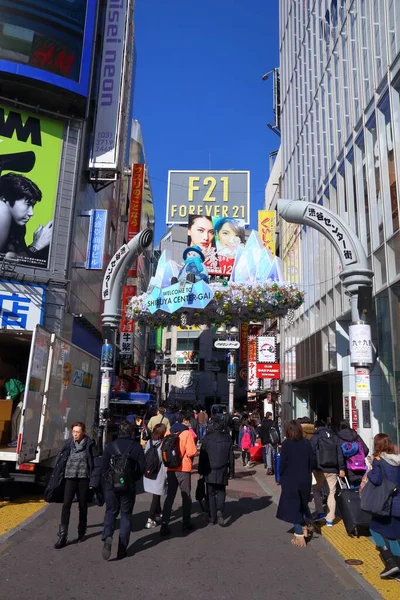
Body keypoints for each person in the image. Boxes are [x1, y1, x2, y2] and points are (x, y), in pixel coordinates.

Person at [101, 420, 145, 560]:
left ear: (119, 432)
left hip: (111, 485)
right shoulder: (136, 447)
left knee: (110, 512)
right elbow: (142, 467)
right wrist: (133, 477)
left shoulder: (110, 446)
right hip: (128, 484)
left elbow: (103, 467)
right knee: (126, 515)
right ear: (132, 432)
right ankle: (122, 548)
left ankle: (108, 536)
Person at [54, 422, 98, 549]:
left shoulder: (90, 444)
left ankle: (81, 530)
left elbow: (95, 463)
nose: (75, 434)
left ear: (83, 432)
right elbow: (61, 459)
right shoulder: (68, 444)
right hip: (70, 477)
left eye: (78, 432)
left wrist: (93, 480)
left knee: (83, 505)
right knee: (66, 505)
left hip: (84, 478)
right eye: (74, 431)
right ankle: (63, 536)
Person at [276, 420, 317, 547]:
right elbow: (313, 462)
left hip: (290, 479)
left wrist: (280, 476)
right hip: (305, 478)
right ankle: (305, 525)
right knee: (302, 504)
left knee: (293, 506)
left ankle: (299, 533)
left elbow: (282, 464)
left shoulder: (286, 444)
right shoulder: (306, 443)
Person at [367, 433, 400, 579]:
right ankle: (396, 564)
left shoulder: (379, 460)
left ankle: (390, 562)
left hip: (386, 504)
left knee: (374, 528)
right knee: (393, 534)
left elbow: (376, 479)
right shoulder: (398, 460)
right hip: (398, 503)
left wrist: (369, 472)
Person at [0, 172, 52, 262]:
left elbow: (21, 261)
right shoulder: (1, 210)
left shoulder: (19, 228)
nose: (31, 213)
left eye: (33, 206)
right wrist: (36, 246)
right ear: (4, 199)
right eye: (27, 204)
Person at [160, 411, 197, 536]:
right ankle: (186, 522)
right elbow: (192, 452)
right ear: (185, 420)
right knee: (186, 495)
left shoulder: (169, 431)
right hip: (183, 468)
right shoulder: (187, 433)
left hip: (170, 468)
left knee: (170, 496)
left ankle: (164, 523)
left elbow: (163, 449)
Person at [198, 417, 234, 526]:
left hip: (209, 469)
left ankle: (212, 516)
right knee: (221, 490)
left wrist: (201, 470)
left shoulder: (207, 438)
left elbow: (202, 456)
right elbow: (231, 457)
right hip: (222, 468)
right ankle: (219, 511)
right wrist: (231, 472)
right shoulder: (228, 438)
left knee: (211, 493)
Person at [310, 420, 346, 526]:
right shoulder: (334, 436)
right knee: (331, 493)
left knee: (316, 490)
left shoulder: (316, 436)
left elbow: (311, 452)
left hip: (319, 469)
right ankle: (330, 519)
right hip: (333, 469)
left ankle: (320, 512)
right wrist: (341, 468)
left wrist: (312, 467)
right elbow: (339, 453)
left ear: (316, 427)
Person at [143, 423, 168, 529]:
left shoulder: (149, 442)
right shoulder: (163, 444)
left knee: (155, 494)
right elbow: (164, 460)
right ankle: (150, 519)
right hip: (159, 473)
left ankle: (158, 513)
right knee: (156, 496)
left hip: (149, 472)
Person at [337, 420, 369, 486]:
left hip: (348, 467)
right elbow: (366, 450)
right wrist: (360, 457)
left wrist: (341, 468)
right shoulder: (356, 436)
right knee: (361, 486)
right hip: (361, 466)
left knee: (352, 488)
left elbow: (340, 455)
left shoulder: (339, 438)